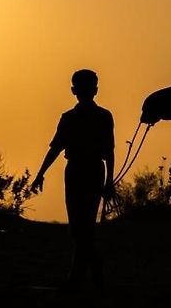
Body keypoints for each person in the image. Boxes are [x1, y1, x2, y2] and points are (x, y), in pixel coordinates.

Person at [31, 69, 115, 289]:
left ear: (74, 90)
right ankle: (91, 268)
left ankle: (80, 275)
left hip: (85, 172)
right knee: (80, 227)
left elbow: (108, 152)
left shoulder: (91, 117)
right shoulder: (86, 117)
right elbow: (57, 147)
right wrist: (41, 173)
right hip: (83, 172)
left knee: (81, 227)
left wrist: (109, 181)